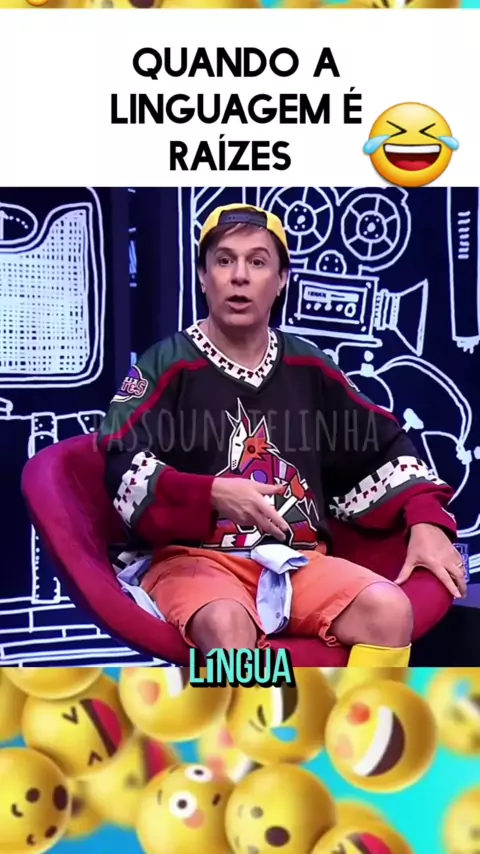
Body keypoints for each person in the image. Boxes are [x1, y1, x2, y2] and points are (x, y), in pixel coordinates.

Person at [98, 203, 466, 667]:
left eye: (257, 262)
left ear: (282, 279)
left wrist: (427, 522)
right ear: (203, 277)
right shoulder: (165, 364)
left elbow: (383, 448)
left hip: (299, 560)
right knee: (228, 627)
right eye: (224, 261)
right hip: (194, 561)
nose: (239, 276)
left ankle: (358, 715)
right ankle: (252, 717)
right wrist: (210, 493)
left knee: (389, 611)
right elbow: (120, 461)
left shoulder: (308, 365)